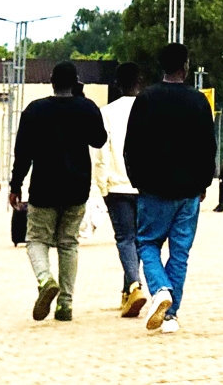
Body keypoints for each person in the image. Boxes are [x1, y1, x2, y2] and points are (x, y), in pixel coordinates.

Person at [124, 43, 217, 334]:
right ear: (185, 66)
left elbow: (132, 146)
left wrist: (137, 180)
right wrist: (204, 182)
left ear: (161, 66)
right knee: (180, 253)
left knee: (148, 243)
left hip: (153, 189)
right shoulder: (199, 101)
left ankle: (160, 289)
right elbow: (208, 147)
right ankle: (171, 315)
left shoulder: (146, 99)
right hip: (189, 191)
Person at [9, 61, 107, 322]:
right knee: (68, 243)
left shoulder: (35, 110)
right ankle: (65, 304)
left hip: (44, 187)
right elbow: (99, 139)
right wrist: (82, 98)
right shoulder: (86, 108)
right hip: (77, 188)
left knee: (36, 239)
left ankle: (45, 280)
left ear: (51, 81)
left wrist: (15, 185)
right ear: (76, 82)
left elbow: (23, 153)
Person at [92, 62, 147, 319]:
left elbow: (100, 153)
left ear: (117, 83)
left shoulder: (106, 113)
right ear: (140, 81)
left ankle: (134, 285)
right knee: (139, 240)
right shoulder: (150, 108)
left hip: (117, 186)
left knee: (125, 239)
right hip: (146, 186)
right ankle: (128, 290)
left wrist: (103, 185)